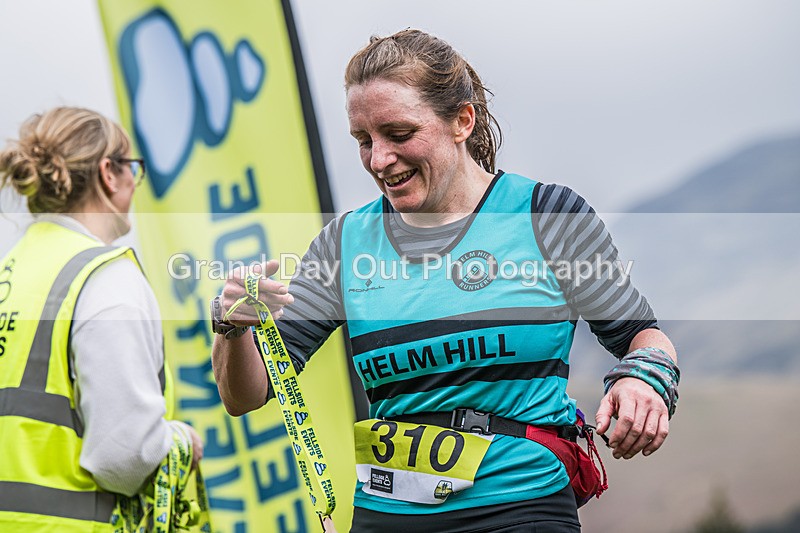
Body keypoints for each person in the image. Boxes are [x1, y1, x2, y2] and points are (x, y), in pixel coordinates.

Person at [212, 29, 679, 532]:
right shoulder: (343, 245)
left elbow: (643, 337)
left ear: (462, 121)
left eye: (399, 133)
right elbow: (245, 395)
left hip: (520, 507)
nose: (379, 160)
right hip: (386, 516)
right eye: (364, 141)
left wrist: (643, 379)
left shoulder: (545, 215)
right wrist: (231, 328)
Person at [0, 106, 203, 531]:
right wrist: (180, 441)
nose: (135, 181)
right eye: (133, 168)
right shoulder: (105, 278)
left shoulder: (12, 270)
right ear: (109, 173)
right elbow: (123, 457)